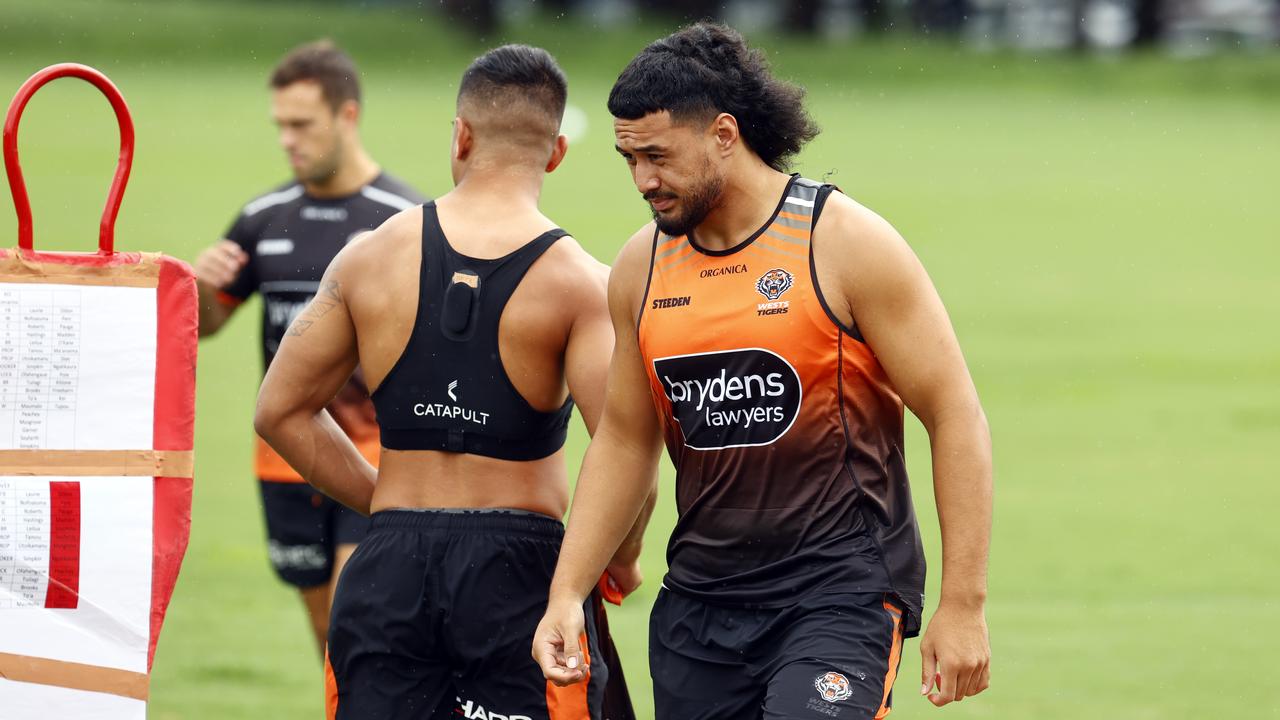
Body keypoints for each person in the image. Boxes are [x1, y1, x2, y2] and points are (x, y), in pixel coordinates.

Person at [533, 22, 992, 719]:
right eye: (629, 159)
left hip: (840, 595)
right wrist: (567, 592)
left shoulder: (842, 244)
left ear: (724, 134)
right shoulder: (641, 266)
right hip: (701, 610)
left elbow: (954, 411)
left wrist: (964, 603)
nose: (643, 181)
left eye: (658, 156)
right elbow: (626, 439)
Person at [254, 44, 649, 720]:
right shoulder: (582, 282)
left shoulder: (366, 259)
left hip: (387, 567)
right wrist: (618, 557)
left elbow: (280, 412)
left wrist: (390, 505)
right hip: (518, 571)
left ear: (460, 136)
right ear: (556, 153)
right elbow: (629, 447)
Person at [192, 40, 427, 656]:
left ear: (347, 116)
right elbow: (208, 322)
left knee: (360, 620)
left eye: (301, 124)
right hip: (283, 458)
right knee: (327, 633)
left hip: (375, 454)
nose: (287, 140)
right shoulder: (263, 218)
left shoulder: (405, 220)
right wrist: (199, 289)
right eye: (281, 127)